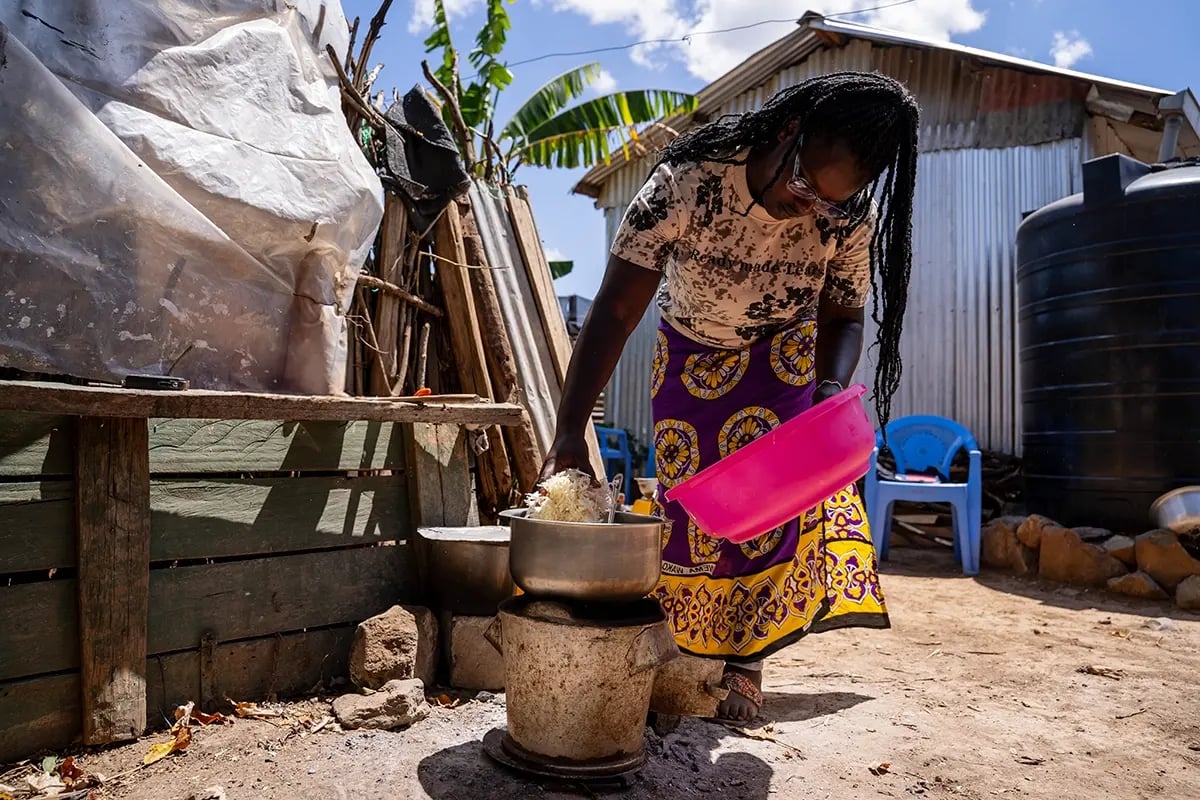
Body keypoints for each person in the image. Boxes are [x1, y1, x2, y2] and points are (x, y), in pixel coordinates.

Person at [541, 72, 920, 723]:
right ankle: (681, 651)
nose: (810, 207)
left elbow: (845, 315)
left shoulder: (850, 217)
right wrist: (569, 431)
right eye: (804, 185)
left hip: (783, 361)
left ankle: (745, 663)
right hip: (690, 354)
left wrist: (827, 393)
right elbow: (614, 310)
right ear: (784, 133)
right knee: (689, 510)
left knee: (771, 514)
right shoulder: (690, 181)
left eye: (829, 202)